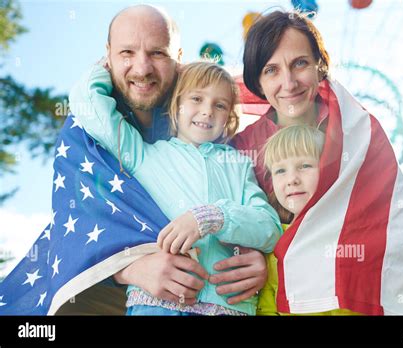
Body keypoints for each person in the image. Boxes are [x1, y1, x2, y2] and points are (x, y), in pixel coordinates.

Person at [234, 10, 403, 315]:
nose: (288, 83)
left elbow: (394, 230)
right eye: (271, 70)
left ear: (320, 67)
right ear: (258, 82)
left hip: (356, 297)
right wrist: (248, 253)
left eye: (299, 63)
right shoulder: (241, 149)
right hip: (271, 296)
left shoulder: (358, 135)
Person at [88, 4, 270, 311]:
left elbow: (267, 227)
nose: (206, 111)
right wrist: (103, 67)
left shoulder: (238, 163)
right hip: (156, 303)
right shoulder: (144, 154)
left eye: (220, 105)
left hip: (225, 305)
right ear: (176, 104)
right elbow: (91, 110)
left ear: (229, 117)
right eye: (196, 99)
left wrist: (213, 217)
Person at [256, 125, 357, 315]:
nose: (292, 179)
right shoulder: (274, 241)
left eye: (304, 166)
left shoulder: (353, 237)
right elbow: (267, 308)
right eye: (280, 171)